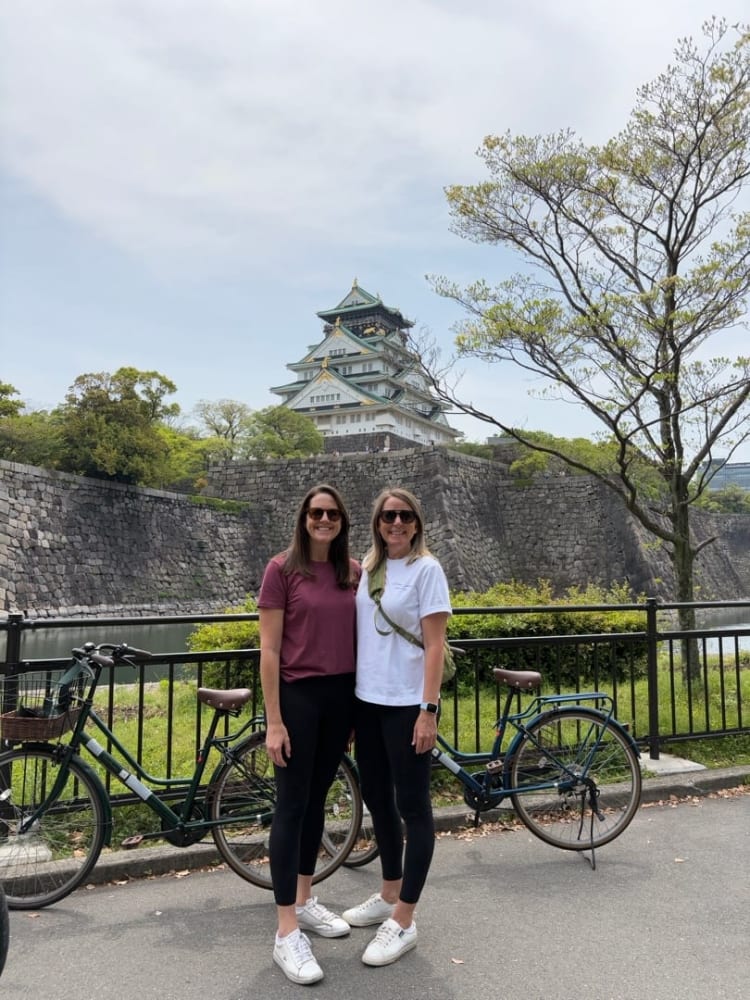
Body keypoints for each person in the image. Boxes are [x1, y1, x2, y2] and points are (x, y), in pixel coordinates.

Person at [343, 487, 451, 967]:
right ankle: (389, 891)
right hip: (368, 702)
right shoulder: (368, 570)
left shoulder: (427, 570)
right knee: (376, 799)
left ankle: (404, 918)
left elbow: (435, 645)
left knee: (413, 806)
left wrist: (429, 709)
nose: (397, 523)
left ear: (417, 522)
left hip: (408, 704)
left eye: (405, 515)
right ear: (377, 523)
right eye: (388, 516)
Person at [258, 483, 360, 985]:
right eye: (317, 513)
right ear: (303, 518)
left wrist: (356, 712)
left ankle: (304, 898)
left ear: (342, 521)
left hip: (340, 698)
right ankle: (286, 930)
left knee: (317, 799)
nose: (324, 520)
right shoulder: (281, 570)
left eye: (332, 514)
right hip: (298, 696)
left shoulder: (352, 572)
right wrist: (274, 720)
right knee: (292, 805)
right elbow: (270, 650)